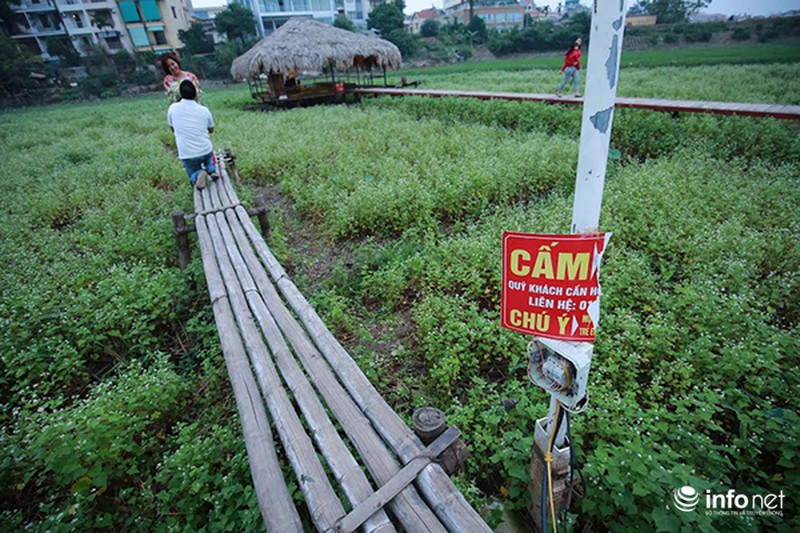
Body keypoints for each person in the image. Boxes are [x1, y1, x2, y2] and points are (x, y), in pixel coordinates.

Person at [167, 80, 219, 190]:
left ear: (180, 94)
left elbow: (172, 129)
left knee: (191, 170)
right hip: (206, 150)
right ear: (196, 94)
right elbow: (211, 130)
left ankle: (197, 175)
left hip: (188, 154)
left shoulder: (172, 108)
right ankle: (211, 169)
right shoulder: (204, 110)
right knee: (209, 157)